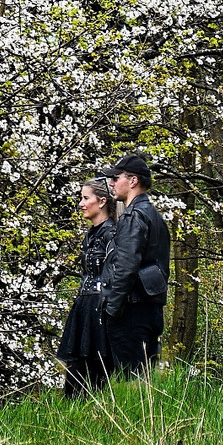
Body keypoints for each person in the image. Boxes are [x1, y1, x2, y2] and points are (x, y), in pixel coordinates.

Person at [98, 153, 171, 376]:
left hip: (131, 309)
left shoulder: (133, 216)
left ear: (132, 181)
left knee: (131, 382)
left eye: (116, 177)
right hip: (151, 308)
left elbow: (126, 266)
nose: (111, 183)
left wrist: (112, 308)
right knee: (147, 381)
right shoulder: (154, 216)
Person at [56, 175, 118, 397]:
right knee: (75, 379)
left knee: (95, 377)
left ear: (101, 201)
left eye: (85, 198)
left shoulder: (113, 234)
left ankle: (98, 420)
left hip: (101, 311)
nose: (80, 204)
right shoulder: (91, 235)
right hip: (85, 308)